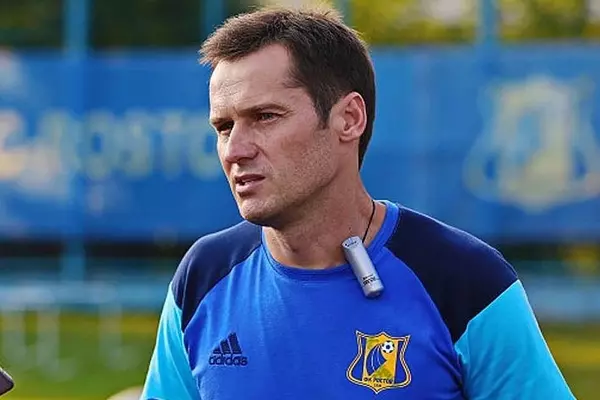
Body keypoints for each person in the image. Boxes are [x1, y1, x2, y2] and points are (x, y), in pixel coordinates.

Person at [141, 5, 574, 399]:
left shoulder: (464, 279)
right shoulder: (204, 277)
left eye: (265, 117)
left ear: (349, 118)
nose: (235, 150)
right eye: (224, 127)